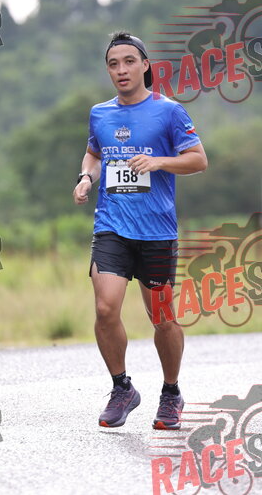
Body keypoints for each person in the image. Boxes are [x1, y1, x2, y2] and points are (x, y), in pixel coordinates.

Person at [73, 31, 208, 430]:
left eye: (129, 61)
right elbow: (94, 153)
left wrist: (159, 162)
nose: (121, 70)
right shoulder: (100, 113)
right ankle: (122, 388)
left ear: (145, 65)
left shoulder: (169, 112)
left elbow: (198, 160)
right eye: (113, 64)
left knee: (162, 317)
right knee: (105, 308)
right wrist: (86, 178)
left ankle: (171, 392)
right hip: (112, 226)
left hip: (156, 232)